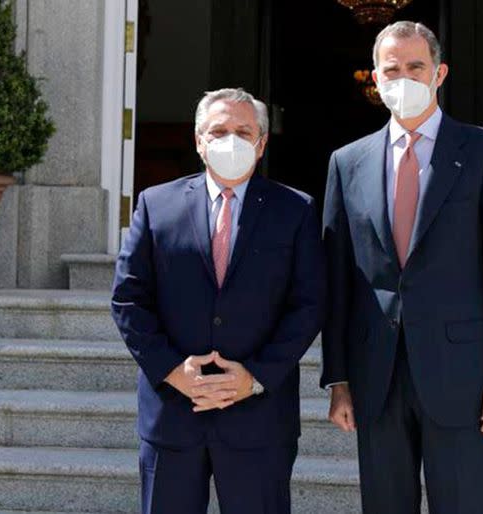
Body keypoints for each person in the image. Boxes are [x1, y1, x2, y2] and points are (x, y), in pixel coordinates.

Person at [321, 21, 483, 513]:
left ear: (439, 73)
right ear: (375, 78)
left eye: (415, 67)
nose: (403, 78)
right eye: (391, 69)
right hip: (376, 376)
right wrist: (338, 378)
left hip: (462, 375)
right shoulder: (347, 162)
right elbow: (338, 280)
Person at [111, 88, 326, 514]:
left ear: (261, 144)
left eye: (244, 132)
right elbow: (128, 298)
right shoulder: (157, 205)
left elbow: (309, 304)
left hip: (259, 419)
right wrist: (172, 369)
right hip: (173, 414)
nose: (231, 140)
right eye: (219, 130)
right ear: (198, 141)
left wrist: (254, 376)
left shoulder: (295, 209)